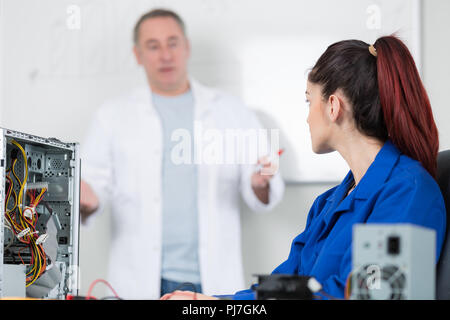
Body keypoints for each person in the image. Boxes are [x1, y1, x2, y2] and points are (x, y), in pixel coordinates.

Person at [161, 35, 446, 300]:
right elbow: (285, 286)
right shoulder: (329, 203)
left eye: (309, 101)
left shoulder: (408, 191)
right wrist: (207, 301)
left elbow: (373, 295)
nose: (308, 118)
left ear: (333, 106)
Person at [79, 9, 285, 299]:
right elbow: (92, 190)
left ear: (186, 47)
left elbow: (263, 185)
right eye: (153, 46)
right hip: (138, 280)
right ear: (138, 55)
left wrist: (260, 183)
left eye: (172, 42)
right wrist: (82, 197)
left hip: (214, 281)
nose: (165, 55)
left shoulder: (232, 111)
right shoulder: (112, 116)